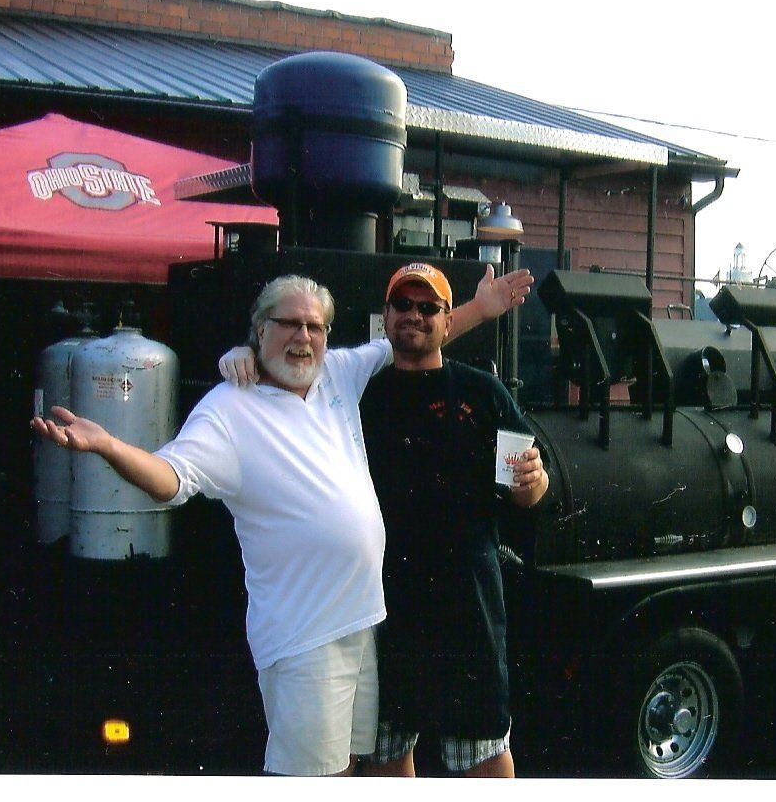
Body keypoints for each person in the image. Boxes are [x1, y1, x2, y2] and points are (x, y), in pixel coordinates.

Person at [31, 265, 532, 777]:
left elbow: (415, 337)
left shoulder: (337, 374)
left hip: (363, 625)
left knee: (353, 773)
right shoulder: (228, 409)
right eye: (288, 324)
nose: (303, 336)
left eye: (315, 327)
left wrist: (484, 309)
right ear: (260, 329)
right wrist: (111, 446)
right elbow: (170, 478)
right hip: (303, 638)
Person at [220, 262, 549, 778]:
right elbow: (293, 365)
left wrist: (535, 484)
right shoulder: (354, 388)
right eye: (402, 305)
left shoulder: (484, 393)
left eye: (428, 308)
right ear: (386, 315)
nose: (413, 316)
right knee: (388, 757)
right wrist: (246, 355)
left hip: (469, 608)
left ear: (445, 320)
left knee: (485, 754)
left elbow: (529, 488)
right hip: (379, 611)